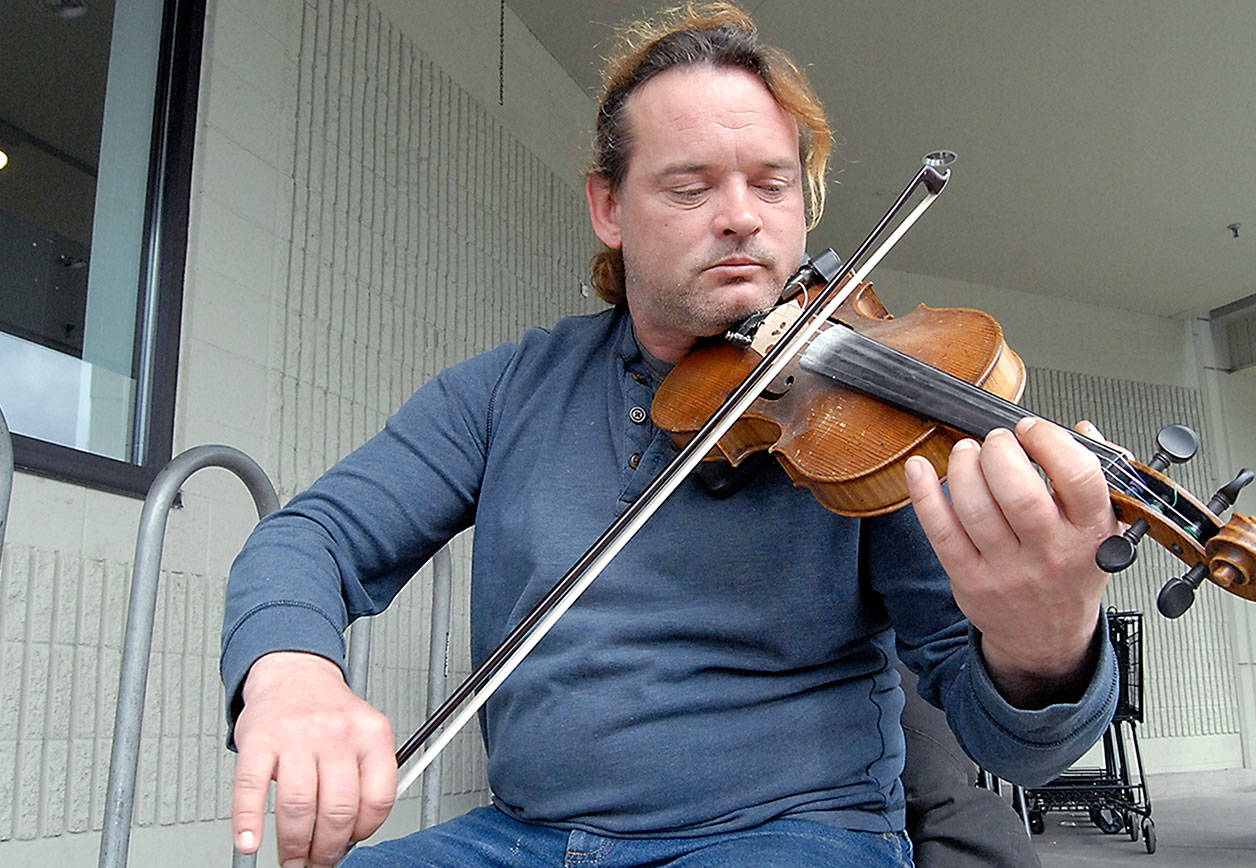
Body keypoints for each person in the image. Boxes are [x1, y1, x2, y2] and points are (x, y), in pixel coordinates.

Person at [221, 4, 1119, 866]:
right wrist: (291, 669)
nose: (741, 216)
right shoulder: (505, 391)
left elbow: (1013, 747)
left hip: (789, 837)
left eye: (772, 185)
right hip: (520, 836)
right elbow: (315, 534)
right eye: (691, 186)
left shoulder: (869, 423)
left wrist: (1044, 653)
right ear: (609, 208)